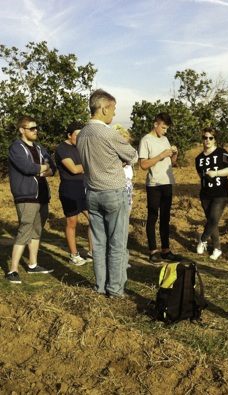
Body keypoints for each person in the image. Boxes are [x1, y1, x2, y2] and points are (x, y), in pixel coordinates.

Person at [76, 89, 138, 297]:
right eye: (113, 109)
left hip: (92, 192)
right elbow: (133, 155)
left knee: (99, 244)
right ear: (103, 108)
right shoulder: (109, 134)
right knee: (118, 244)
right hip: (113, 191)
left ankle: (100, 287)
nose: (113, 114)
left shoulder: (82, 133)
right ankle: (116, 289)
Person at [6, 116, 57, 284]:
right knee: (25, 230)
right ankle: (12, 270)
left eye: (36, 128)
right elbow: (27, 168)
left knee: (37, 230)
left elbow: (53, 167)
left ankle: (32, 265)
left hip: (42, 195)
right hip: (26, 195)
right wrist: (43, 168)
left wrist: (41, 170)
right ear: (22, 130)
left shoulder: (40, 148)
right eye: (32, 128)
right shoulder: (16, 148)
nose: (36, 131)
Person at [138, 112, 181, 264]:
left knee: (165, 218)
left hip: (167, 182)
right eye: (163, 127)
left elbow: (172, 162)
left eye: (167, 128)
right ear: (155, 124)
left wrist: (174, 154)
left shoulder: (165, 139)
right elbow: (143, 165)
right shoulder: (145, 140)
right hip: (154, 184)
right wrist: (161, 156)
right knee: (152, 217)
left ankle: (166, 250)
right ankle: (153, 251)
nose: (165, 131)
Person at [55, 121, 93, 266]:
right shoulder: (62, 148)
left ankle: (92, 252)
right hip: (70, 187)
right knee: (72, 222)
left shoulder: (83, 147)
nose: (80, 138)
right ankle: (73, 255)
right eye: (77, 135)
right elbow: (74, 169)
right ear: (69, 134)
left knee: (94, 219)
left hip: (85, 186)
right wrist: (90, 165)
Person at [195, 127, 228, 260]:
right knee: (212, 222)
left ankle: (203, 238)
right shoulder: (199, 158)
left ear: (215, 140)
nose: (207, 140)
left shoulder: (222, 153)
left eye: (210, 138)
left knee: (213, 219)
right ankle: (217, 248)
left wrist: (216, 173)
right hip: (205, 194)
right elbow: (201, 176)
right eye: (205, 138)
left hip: (221, 193)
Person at [113, 124, 134, 212]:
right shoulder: (112, 154)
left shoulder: (129, 154)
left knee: (127, 209)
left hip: (127, 183)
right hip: (116, 185)